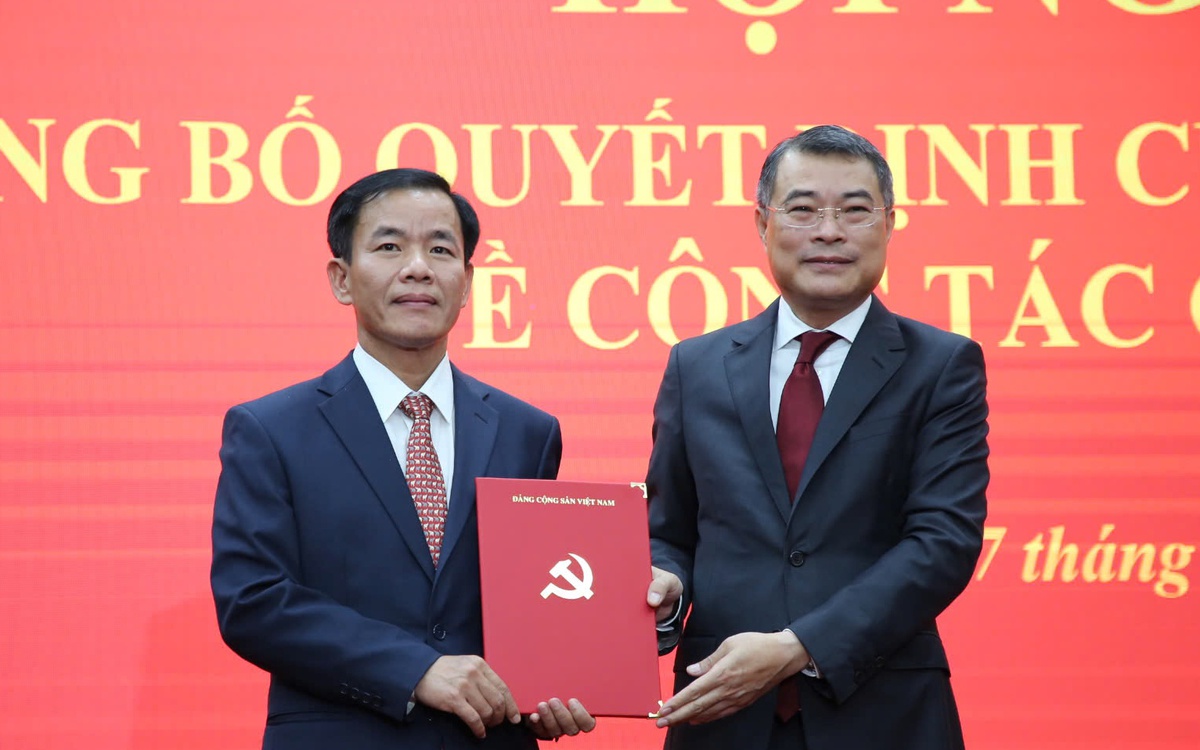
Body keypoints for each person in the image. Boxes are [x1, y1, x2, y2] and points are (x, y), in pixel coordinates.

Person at [211, 168, 595, 749]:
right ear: (342, 279)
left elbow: (533, 597)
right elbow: (254, 601)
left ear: (467, 282)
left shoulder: (528, 432)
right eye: (390, 247)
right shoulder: (271, 429)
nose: (418, 267)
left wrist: (549, 685)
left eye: (440, 249)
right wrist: (414, 669)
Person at [643, 126, 989, 750]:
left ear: (889, 224)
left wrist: (798, 646)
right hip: (719, 710)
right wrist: (665, 587)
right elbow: (669, 531)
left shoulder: (940, 366)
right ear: (763, 223)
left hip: (883, 714)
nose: (829, 232)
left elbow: (943, 541)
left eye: (854, 211)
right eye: (802, 209)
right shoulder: (696, 367)